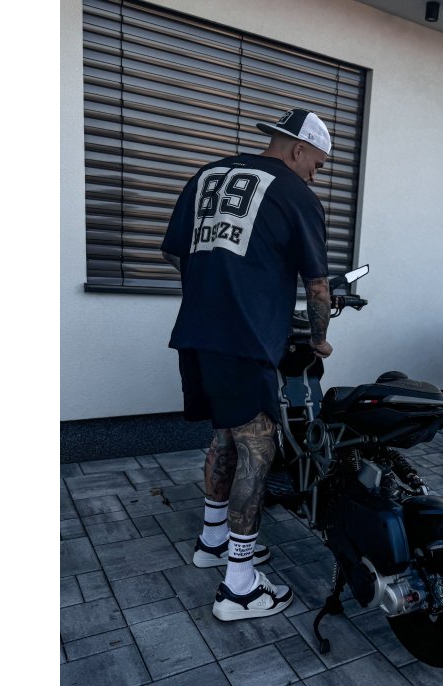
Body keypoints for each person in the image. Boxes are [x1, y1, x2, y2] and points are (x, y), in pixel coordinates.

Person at [160, 108, 333, 621]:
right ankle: (239, 586)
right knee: (258, 445)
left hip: (196, 332)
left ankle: (213, 541)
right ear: (299, 149)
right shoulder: (297, 195)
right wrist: (319, 340)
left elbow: (174, 253)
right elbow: (317, 285)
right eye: (318, 164)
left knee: (226, 434)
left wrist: (211, 286)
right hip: (244, 338)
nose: (315, 174)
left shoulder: (208, 175)